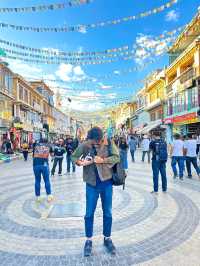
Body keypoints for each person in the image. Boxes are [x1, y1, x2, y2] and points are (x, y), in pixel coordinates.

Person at [72, 127, 120, 257]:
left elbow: (116, 157)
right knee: (88, 213)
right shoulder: (85, 144)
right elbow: (74, 156)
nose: (95, 143)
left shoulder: (109, 143)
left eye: (97, 141)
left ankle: (107, 238)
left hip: (107, 183)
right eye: (93, 141)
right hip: (91, 184)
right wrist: (80, 162)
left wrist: (103, 160)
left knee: (108, 212)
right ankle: (88, 240)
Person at [33, 138, 53, 202]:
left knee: (37, 180)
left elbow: (33, 154)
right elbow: (52, 155)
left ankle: (38, 197)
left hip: (36, 164)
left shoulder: (36, 145)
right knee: (47, 180)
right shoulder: (49, 146)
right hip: (44, 165)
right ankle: (49, 196)